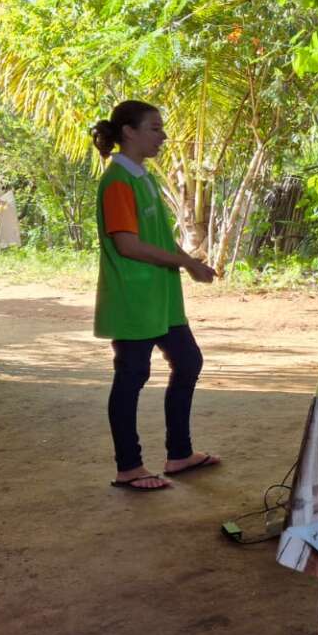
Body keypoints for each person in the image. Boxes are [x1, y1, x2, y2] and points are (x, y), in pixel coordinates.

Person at [92, 101, 219, 492]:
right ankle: (128, 466)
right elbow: (127, 245)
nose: (162, 136)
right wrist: (185, 262)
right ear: (128, 132)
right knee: (131, 377)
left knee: (188, 361)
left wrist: (182, 262)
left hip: (159, 298)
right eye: (155, 128)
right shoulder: (117, 181)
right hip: (133, 297)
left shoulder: (140, 176)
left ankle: (179, 453)